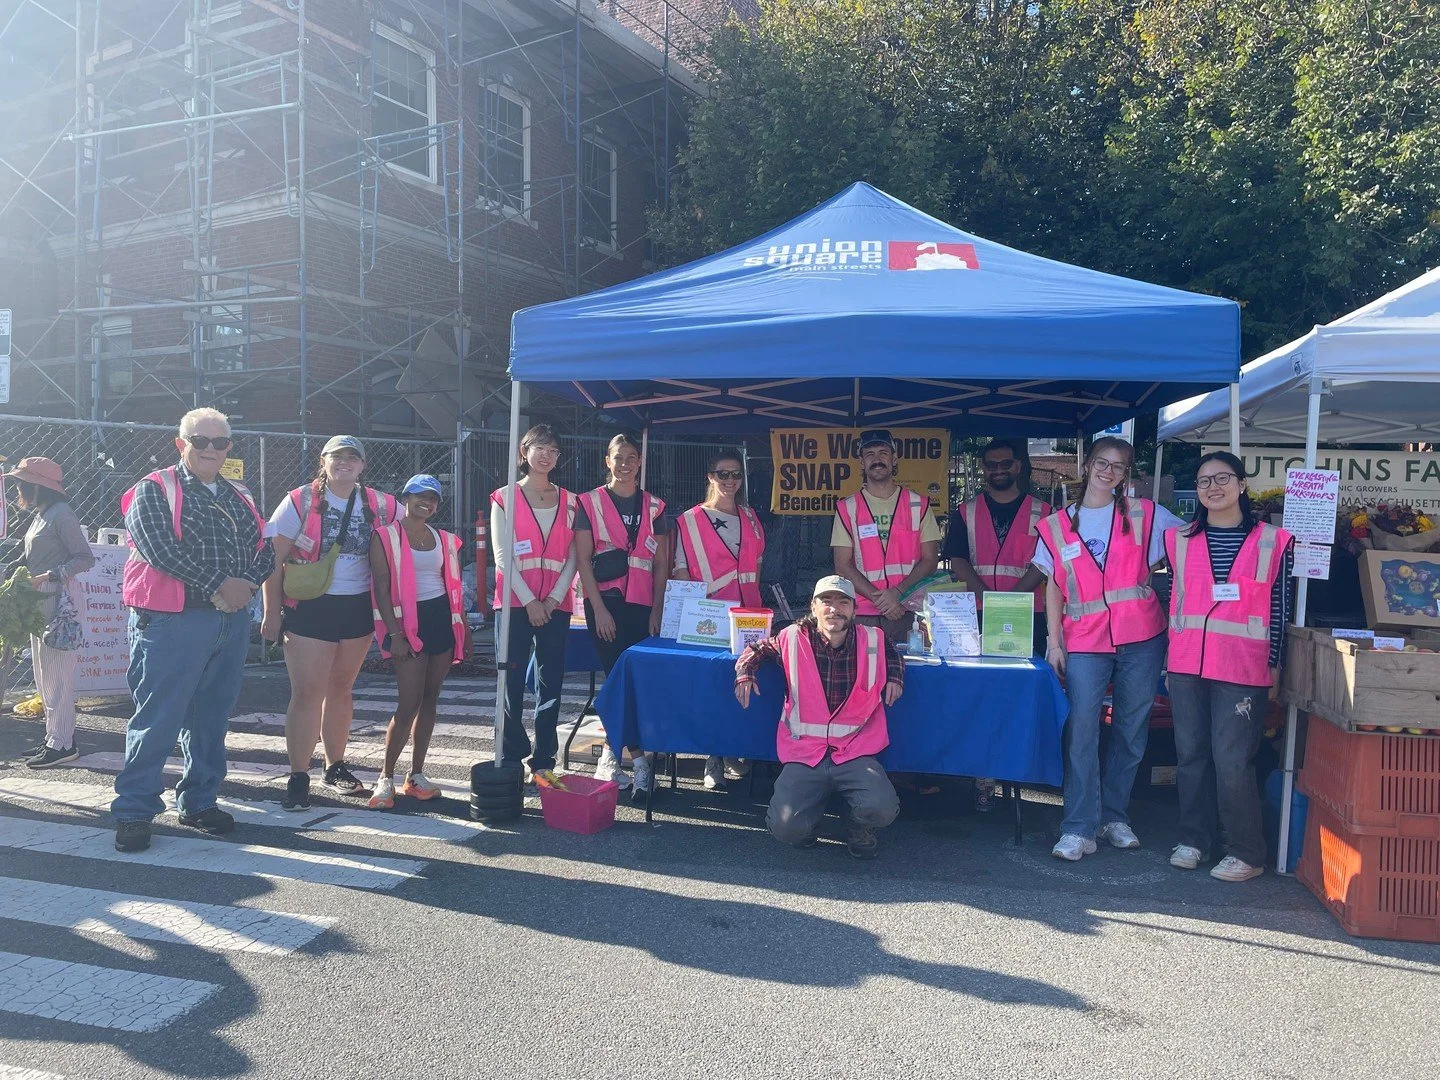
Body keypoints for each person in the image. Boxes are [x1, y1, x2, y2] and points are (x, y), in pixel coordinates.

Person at [112, 407, 273, 852]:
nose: (210, 449)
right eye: (200, 441)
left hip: (227, 619)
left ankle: (199, 800)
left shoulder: (238, 493)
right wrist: (223, 585)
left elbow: (265, 546)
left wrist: (245, 587)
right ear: (180, 443)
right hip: (172, 621)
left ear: (228, 447)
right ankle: (133, 810)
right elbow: (159, 548)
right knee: (158, 717)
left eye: (219, 442)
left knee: (211, 719)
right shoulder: (153, 489)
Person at [1032, 436, 1184, 861]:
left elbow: (1194, 546)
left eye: (1118, 466)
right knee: (1081, 728)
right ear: (1088, 466)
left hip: (1141, 638)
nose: (1108, 471)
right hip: (1084, 639)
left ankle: (1114, 816)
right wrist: (1054, 642)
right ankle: (1078, 826)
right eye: (1102, 462)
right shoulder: (1058, 525)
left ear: (1126, 474)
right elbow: (1054, 587)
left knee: (1131, 731)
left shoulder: (1148, 515)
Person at [1165, 451, 1294, 883]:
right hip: (1186, 664)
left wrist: (1275, 663)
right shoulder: (1178, 538)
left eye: (1222, 478)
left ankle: (1246, 851)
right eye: (1203, 481)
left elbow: (1279, 608)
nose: (1212, 487)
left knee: (1233, 760)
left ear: (1242, 484)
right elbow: (1175, 600)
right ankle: (1193, 839)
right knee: (1191, 757)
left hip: (1242, 667)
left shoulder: (1272, 541)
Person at [262, 435, 400, 812]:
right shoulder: (299, 500)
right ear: (323, 462)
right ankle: (298, 775)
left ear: (362, 465)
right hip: (309, 606)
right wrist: (271, 613)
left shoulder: (382, 504)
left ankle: (335, 766)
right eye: (337, 457)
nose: (345, 463)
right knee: (308, 692)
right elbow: (273, 560)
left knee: (341, 688)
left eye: (352, 457)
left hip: (358, 607)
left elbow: (408, 539)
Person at [734, 575, 903, 859]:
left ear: (854, 609)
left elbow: (893, 654)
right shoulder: (791, 637)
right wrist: (745, 674)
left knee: (881, 808)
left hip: (854, 753)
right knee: (786, 829)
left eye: (842, 602)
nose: (834, 609)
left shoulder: (873, 639)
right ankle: (807, 826)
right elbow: (755, 650)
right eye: (826, 601)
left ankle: (857, 826)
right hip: (806, 752)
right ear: (813, 607)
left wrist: (896, 677)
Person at [944, 438, 1052, 810]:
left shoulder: (1044, 512)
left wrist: (1011, 602)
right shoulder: (966, 511)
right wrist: (988, 598)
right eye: (992, 464)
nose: (999, 470)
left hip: (1029, 617)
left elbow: (1046, 562)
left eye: (1005, 463)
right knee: (981, 696)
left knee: (1019, 697)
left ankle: (1018, 767)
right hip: (975, 616)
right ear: (984, 468)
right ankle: (983, 777)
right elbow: (956, 558)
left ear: (1018, 466)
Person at [574, 433, 669, 795]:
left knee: (636, 683)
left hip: (643, 604)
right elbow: (583, 560)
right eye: (619, 457)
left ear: (640, 462)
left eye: (632, 457)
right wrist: (598, 611)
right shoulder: (590, 502)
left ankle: (612, 757)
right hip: (607, 603)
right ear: (607, 461)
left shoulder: (656, 506)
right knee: (616, 679)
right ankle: (638, 761)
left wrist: (657, 609)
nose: (625, 464)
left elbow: (660, 563)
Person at [368, 475, 469, 809]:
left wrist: (462, 630)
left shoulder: (443, 539)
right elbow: (381, 588)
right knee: (407, 702)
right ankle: (385, 777)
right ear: (406, 498)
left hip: (440, 620)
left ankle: (417, 775)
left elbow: (453, 586)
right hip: (407, 625)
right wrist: (394, 635)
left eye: (434, 499)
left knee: (430, 697)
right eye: (420, 497)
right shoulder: (385, 537)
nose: (427, 503)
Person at [489, 424, 577, 784]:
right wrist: (529, 601)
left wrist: (553, 599)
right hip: (513, 602)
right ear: (523, 453)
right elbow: (501, 555)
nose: (546, 455)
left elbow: (574, 554)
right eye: (539, 447)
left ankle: (544, 759)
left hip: (556, 604)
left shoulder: (572, 501)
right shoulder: (504, 497)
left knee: (550, 683)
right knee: (509, 680)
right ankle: (512, 753)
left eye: (553, 450)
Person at [673, 448, 765, 791]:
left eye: (736, 475)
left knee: (744, 681)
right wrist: (690, 616)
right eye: (723, 474)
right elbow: (681, 568)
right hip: (709, 615)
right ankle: (713, 757)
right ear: (710, 476)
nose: (730, 481)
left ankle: (732, 749)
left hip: (749, 614)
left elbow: (757, 565)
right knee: (713, 686)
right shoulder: (691, 519)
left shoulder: (751, 517)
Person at [4, 457, 95, 768]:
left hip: (58, 599)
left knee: (57, 675)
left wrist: (48, 576)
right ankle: (54, 738)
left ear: (38, 486)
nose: (17, 487)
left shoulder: (60, 515)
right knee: (45, 676)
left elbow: (85, 558)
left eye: (21, 482)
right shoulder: (44, 514)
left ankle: (62, 743)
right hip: (42, 599)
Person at [832, 429, 941, 642]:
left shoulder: (918, 504)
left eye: (883, 453)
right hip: (863, 612)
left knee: (911, 674)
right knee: (864, 673)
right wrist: (883, 600)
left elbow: (930, 559)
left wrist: (898, 593)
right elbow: (842, 565)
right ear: (861, 462)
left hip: (908, 610)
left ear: (894, 459)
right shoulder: (847, 507)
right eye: (870, 454)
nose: (877, 460)